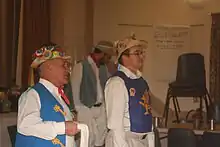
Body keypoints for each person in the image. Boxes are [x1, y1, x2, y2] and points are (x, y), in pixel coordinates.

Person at [15, 44, 87, 147]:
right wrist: (63, 128)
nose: (68, 70)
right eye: (64, 65)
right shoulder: (32, 94)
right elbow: (26, 125)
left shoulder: (59, 97)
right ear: (49, 67)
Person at [104, 35, 154, 147]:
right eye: (137, 53)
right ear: (124, 57)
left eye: (142, 53)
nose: (141, 56)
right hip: (125, 140)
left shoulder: (141, 82)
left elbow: (147, 116)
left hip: (142, 141)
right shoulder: (117, 83)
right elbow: (115, 125)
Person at [70, 40, 115, 147]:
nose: (109, 60)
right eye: (108, 57)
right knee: (88, 139)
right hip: (86, 108)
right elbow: (74, 91)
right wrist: (80, 110)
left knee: (100, 140)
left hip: (100, 109)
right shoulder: (81, 66)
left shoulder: (104, 68)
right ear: (102, 54)